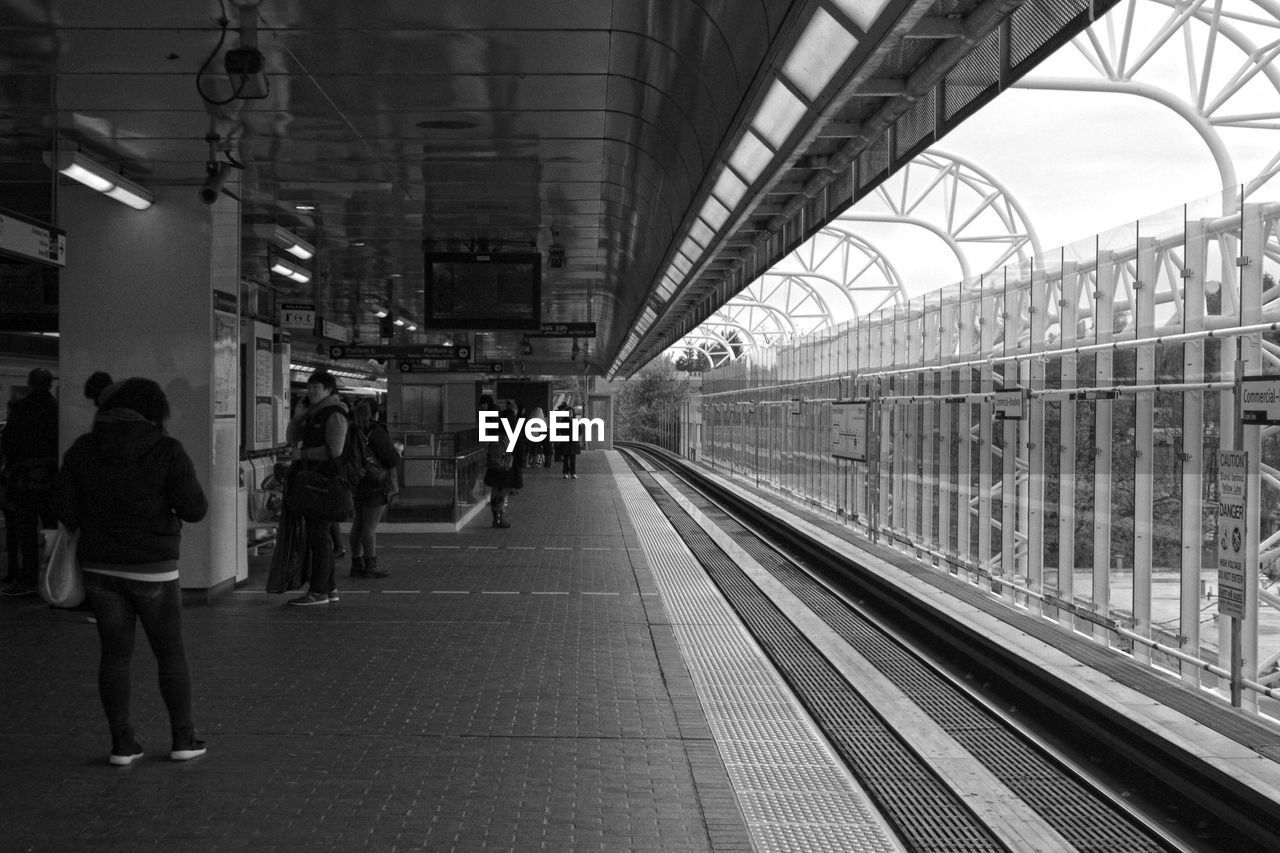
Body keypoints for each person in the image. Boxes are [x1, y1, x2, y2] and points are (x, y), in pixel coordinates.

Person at [51, 377, 209, 766]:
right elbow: (195, 508)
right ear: (156, 411)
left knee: (115, 656)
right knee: (169, 651)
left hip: (101, 567)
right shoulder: (166, 450)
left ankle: (123, 744)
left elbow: (63, 507)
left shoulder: (83, 449)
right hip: (153, 568)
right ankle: (183, 738)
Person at [285, 369, 349, 606]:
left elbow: (335, 450)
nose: (311, 391)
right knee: (319, 535)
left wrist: (302, 454)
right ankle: (328, 588)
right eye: (309, 386)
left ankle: (319, 591)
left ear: (329, 390)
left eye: (316, 387)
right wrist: (298, 417)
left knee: (319, 538)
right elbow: (291, 435)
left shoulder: (335, 414)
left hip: (325, 484)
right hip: (313, 482)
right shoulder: (313, 414)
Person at [1, 368, 58, 595]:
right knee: (52, 529)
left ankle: (28, 579)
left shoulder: (21, 408)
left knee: (26, 531)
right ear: (50, 384)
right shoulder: (56, 409)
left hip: (24, 479)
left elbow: (9, 442)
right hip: (52, 478)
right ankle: (54, 575)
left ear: (30, 383)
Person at [348, 398, 400, 578]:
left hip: (356, 481)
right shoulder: (376, 432)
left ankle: (356, 563)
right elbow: (391, 459)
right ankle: (371, 564)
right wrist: (398, 452)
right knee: (369, 527)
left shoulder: (350, 429)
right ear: (376, 413)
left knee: (358, 524)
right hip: (376, 482)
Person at [480, 396, 514, 528]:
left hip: (495, 463)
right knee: (501, 490)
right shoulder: (504, 434)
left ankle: (497, 517)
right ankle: (498, 517)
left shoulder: (492, 421)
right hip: (501, 464)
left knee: (497, 489)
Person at [557, 403, 580, 479]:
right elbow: (561, 430)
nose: (570, 414)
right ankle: (565, 473)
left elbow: (580, 431)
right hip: (566, 442)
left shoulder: (576, 422)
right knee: (566, 459)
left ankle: (573, 473)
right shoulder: (564, 422)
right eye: (569, 412)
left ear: (573, 413)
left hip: (573, 442)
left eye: (571, 412)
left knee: (573, 459)